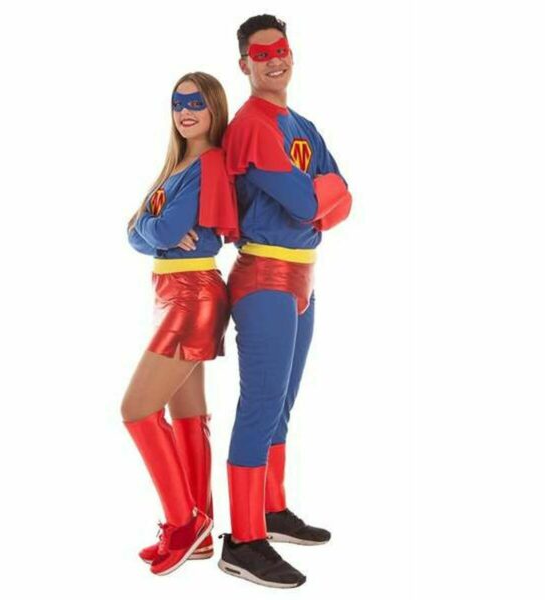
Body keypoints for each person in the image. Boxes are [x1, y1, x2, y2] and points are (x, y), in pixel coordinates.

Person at [217, 15, 353, 588]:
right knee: (261, 404)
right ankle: (243, 540)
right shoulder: (251, 126)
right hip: (265, 279)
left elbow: (345, 197)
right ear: (244, 64)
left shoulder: (301, 125)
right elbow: (310, 201)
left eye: (282, 50)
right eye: (261, 53)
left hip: (303, 279)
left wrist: (323, 195)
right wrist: (322, 195)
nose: (275, 59)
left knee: (283, 405)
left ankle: (270, 510)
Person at [122, 71, 239, 576]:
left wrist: (149, 227)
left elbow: (161, 228)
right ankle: (202, 532)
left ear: (214, 108)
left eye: (196, 103)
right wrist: (150, 229)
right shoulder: (178, 165)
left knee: (136, 409)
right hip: (172, 292)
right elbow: (138, 232)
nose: (185, 111)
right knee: (187, 413)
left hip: (193, 294)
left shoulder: (208, 162)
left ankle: (181, 524)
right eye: (178, 103)